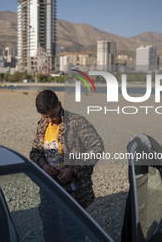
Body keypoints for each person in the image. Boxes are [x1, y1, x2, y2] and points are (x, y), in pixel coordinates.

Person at [30, 90, 104, 241]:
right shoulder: (43, 125)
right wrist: (44, 165)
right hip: (49, 190)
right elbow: (34, 153)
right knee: (51, 232)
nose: (50, 120)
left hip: (73, 193)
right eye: (45, 117)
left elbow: (97, 148)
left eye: (53, 115)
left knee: (72, 234)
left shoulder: (77, 122)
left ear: (59, 104)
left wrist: (73, 169)